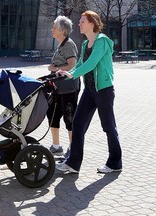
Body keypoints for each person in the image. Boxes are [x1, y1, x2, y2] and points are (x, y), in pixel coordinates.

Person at [56, 10, 122, 174]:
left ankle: (115, 162)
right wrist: (66, 73)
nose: (79, 24)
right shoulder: (85, 44)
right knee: (78, 123)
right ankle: (73, 163)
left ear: (92, 24)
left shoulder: (102, 42)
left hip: (104, 90)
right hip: (90, 90)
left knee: (108, 126)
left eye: (82, 21)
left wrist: (73, 74)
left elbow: (92, 64)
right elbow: (80, 64)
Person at [47, 15, 80, 157]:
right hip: (58, 88)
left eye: (54, 27)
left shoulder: (69, 44)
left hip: (68, 87)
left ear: (62, 30)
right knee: (52, 113)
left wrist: (54, 69)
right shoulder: (61, 45)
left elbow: (72, 65)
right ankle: (56, 146)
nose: (52, 30)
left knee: (69, 117)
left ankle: (73, 149)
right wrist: (53, 67)